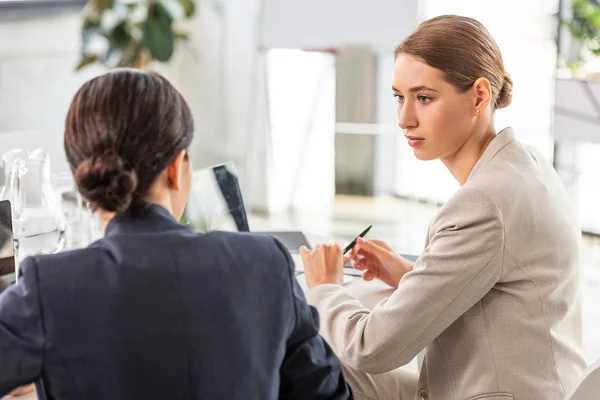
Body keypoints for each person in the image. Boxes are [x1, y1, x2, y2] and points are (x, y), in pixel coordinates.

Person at [0, 69, 353, 400]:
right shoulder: (264, 262)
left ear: (83, 177)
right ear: (176, 167)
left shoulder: (48, 286)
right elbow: (326, 392)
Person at [300, 15, 587, 400]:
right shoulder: (527, 164)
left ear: (480, 97)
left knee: (309, 357)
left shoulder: (482, 203)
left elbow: (370, 348)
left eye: (424, 98)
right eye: (399, 97)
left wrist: (325, 289)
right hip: (533, 386)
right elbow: (496, 288)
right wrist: (411, 275)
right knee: (324, 365)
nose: (404, 119)